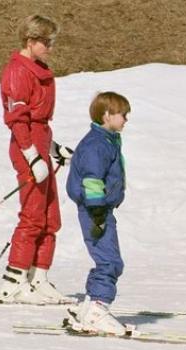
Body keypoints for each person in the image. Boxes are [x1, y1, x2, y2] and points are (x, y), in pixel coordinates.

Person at [0, 14, 74, 304]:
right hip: (25, 147)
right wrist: (31, 157)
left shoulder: (40, 70)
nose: (50, 48)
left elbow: (39, 122)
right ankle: (14, 282)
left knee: (50, 217)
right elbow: (18, 121)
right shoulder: (17, 72)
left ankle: (38, 278)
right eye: (46, 42)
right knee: (32, 216)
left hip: (40, 142)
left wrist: (53, 149)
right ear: (31, 41)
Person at [65, 92, 131, 335]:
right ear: (107, 115)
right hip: (96, 211)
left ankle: (90, 307)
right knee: (110, 261)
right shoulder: (97, 144)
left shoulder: (105, 139)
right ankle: (98, 309)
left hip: (99, 209)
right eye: (122, 115)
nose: (126, 119)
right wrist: (97, 209)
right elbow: (92, 179)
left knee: (105, 258)